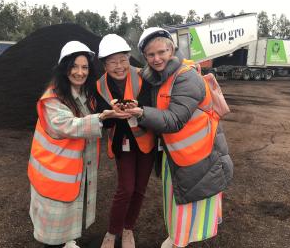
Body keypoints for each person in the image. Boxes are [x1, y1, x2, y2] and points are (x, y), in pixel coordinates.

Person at [125, 27, 233, 248]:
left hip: (199, 153)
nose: (156, 59)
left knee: (190, 203)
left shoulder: (186, 77)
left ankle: (179, 241)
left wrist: (142, 113)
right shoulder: (161, 76)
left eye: (162, 52)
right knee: (177, 199)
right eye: (151, 55)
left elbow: (174, 119)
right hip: (178, 153)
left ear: (172, 49)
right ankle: (177, 237)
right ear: (145, 56)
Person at [27, 41, 130, 248]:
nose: (80, 72)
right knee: (55, 214)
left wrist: (112, 110)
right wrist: (101, 118)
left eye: (84, 67)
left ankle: (67, 240)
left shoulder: (84, 93)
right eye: (74, 66)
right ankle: (57, 243)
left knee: (70, 208)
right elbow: (67, 125)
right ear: (64, 68)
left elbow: (98, 110)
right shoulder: (53, 98)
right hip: (54, 171)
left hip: (71, 169)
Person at [95, 34, 155, 248]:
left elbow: (152, 105)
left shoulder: (143, 76)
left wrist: (138, 110)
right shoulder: (100, 86)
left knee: (139, 189)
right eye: (112, 62)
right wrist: (112, 115)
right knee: (126, 189)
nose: (119, 66)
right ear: (104, 64)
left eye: (122, 60)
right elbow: (99, 116)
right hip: (122, 142)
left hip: (146, 140)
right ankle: (112, 232)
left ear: (129, 58)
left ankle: (128, 229)